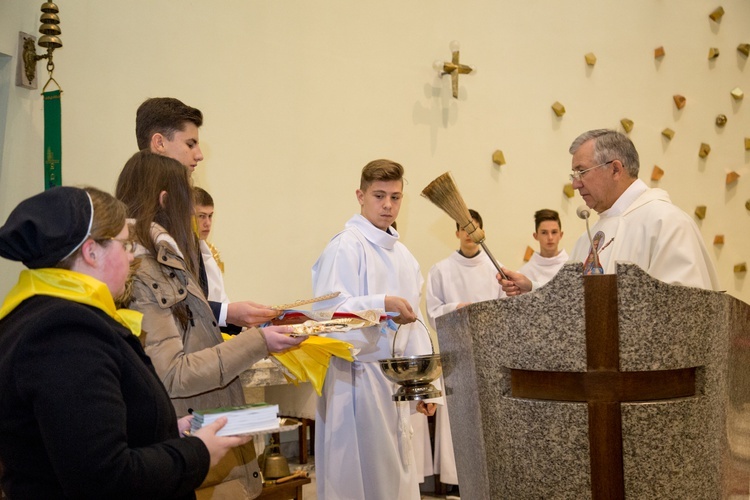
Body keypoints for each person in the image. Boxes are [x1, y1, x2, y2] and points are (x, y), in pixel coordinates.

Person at [0, 186, 250, 499]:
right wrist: (198, 453)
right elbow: (105, 477)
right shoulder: (65, 333)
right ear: (91, 252)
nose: (131, 256)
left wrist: (167, 427)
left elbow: (83, 429)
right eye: (124, 244)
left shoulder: (48, 314)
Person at [115, 151, 306, 499]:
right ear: (164, 199)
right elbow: (174, 372)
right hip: (181, 430)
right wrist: (259, 342)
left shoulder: (165, 260)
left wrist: (231, 315)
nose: (191, 211)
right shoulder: (145, 272)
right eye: (187, 196)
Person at [311, 159, 438, 500]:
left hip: (394, 384)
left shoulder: (405, 256)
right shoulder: (346, 246)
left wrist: (424, 384)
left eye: (395, 197)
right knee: (359, 476)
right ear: (360, 195)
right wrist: (382, 304)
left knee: (396, 476)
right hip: (355, 380)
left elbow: (418, 319)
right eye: (379, 195)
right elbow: (327, 313)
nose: (387, 205)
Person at [500, 129, 720, 295]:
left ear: (615, 169)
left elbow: (687, 309)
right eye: (574, 175)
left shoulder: (666, 223)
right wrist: (532, 288)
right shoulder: (589, 236)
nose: (575, 184)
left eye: (581, 172)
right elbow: (571, 300)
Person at [136, 96, 277, 331]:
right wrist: (227, 313)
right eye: (190, 144)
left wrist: (235, 320)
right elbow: (160, 303)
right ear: (159, 143)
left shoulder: (178, 218)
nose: (199, 154)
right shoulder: (137, 219)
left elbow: (198, 292)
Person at [424, 208, 505, 499]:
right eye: (463, 228)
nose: (469, 234)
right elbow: (433, 313)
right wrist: (456, 309)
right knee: (459, 420)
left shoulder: (498, 269)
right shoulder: (441, 270)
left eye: (474, 228)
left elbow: (506, 311)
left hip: (489, 358)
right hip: (456, 357)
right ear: (456, 232)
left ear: (481, 232)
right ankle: (456, 483)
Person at [194, 187, 228, 304]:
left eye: (210, 216)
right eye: (201, 216)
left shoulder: (209, 257)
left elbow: (223, 301)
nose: (207, 223)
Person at [517, 209, 568, 286]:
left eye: (554, 232)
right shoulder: (524, 273)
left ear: (561, 235)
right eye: (544, 233)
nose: (550, 237)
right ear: (536, 236)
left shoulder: (572, 267)